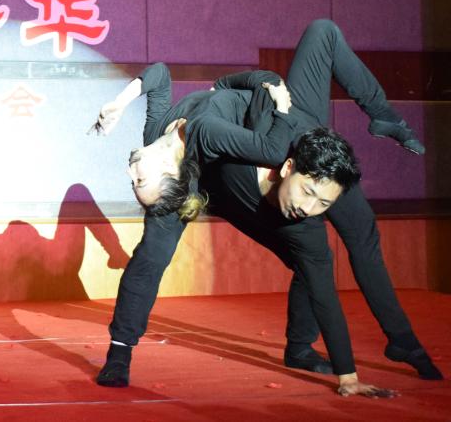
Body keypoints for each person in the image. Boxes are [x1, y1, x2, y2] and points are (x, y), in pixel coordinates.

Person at [91, 20, 433, 396]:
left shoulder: (154, 134)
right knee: (151, 257)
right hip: (240, 169)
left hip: (267, 143)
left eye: (135, 178)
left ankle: (304, 348)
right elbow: (270, 148)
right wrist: (276, 105)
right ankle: (119, 354)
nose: (130, 170)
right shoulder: (197, 148)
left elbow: (159, 74)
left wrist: (120, 102)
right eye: (138, 180)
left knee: (318, 254)